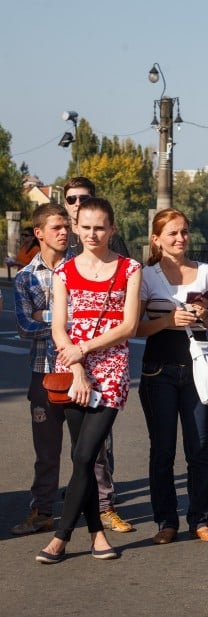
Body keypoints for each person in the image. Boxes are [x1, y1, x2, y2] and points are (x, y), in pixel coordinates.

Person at [35, 197, 142, 563]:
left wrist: (86, 350)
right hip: (73, 372)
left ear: (112, 229)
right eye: (86, 226)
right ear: (76, 228)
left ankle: (61, 537)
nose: (93, 233)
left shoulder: (129, 269)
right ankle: (97, 535)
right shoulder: (64, 272)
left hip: (112, 372)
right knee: (82, 456)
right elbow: (58, 327)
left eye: (101, 227)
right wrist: (77, 366)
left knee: (84, 454)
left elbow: (128, 326)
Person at [138, 208, 208, 544]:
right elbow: (134, 327)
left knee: (199, 447)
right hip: (158, 368)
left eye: (184, 232)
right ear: (157, 239)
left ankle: (200, 519)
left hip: (197, 368)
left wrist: (206, 312)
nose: (180, 239)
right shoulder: (146, 276)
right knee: (162, 449)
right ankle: (166, 521)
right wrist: (167, 321)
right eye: (172, 233)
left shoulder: (204, 271)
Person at [11, 204, 73, 535]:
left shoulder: (82, 270)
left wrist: (44, 316)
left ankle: (101, 510)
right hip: (43, 370)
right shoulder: (25, 277)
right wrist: (63, 318)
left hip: (82, 371)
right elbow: (22, 325)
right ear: (39, 233)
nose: (65, 232)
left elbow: (92, 320)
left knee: (93, 451)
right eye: (56, 227)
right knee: (46, 451)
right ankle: (44, 511)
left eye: (66, 226)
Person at [63, 177, 130, 258]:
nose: (77, 203)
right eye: (71, 199)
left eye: (83, 199)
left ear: (93, 200)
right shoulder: (61, 238)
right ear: (65, 204)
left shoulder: (111, 239)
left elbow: (126, 268)